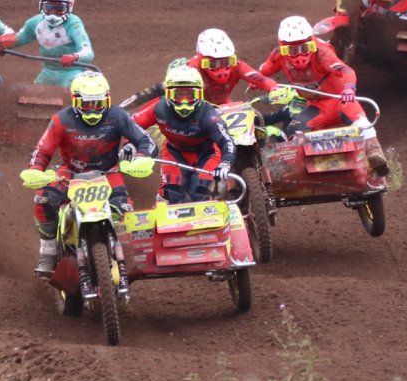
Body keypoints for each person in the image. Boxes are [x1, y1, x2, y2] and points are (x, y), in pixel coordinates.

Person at [25, 70, 155, 274]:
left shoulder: (118, 116)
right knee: (43, 200)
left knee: (124, 209)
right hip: (70, 173)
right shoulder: (61, 119)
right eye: (86, 104)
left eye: (98, 103)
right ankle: (47, 252)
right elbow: (42, 150)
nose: (92, 110)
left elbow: (144, 140)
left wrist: (140, 157)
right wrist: (35, 170)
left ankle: (127, 252)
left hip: (108, 172)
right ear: (75, 101)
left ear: (107, 100)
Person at [256, 16, 390, 174]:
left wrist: (348, 89)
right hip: (317, 107)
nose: (299, 56)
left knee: (358, 118)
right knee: (295, 130)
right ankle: (299, 171)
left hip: (340, 100)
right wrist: (256, 81)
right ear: (282, 47)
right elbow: (261, 72)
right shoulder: (278, 56)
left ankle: (374, 153)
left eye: (304, 48)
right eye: (292, 50)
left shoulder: (322, 52)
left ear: (311, 42)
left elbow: (346, 70)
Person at [132, 64, 236, 204]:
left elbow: (226, 141)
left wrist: (225, 163)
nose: (185, 102)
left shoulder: (208, 115)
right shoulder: (159, 108)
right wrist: (130, 146)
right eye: (179, 95)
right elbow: (131, 125)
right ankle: (162, 222)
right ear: (168, 94)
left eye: (190, 95)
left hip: (207, 154)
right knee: (170, 195)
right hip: (174, 153)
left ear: (200, 94)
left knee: (200, 195)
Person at [136, 28, 277, 107]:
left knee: (257, 125)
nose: (221, 69)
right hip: (196, 111)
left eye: (226, 61)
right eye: (213, 64)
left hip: (226, 107)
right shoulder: (192, 70)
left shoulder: (237, 65)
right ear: (202, 59)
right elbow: (163, 94)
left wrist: (274, 89)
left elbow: (261, 79)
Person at [0, 0, 93, 87]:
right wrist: (2, 45)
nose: (52, 14)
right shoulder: (35, 23)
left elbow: (88, 51)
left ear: (70, 6)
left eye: (59, 9)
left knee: (77, 95)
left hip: (73, 72)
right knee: (31, 97)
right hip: (48, 72)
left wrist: (74, 57)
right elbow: (20, 37)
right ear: (41, 6)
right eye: (48, 7)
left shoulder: (73, 24)